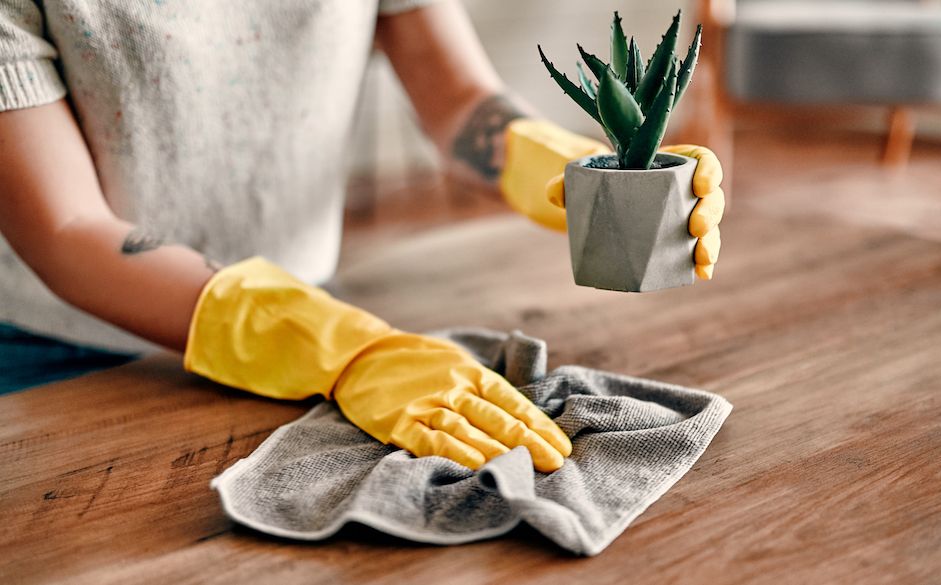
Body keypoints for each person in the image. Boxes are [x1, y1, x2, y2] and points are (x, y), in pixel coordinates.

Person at [0, 1, 724, 472]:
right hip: (65, 358)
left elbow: (457, 98)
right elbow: (67, 229)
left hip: (305, 327)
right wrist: (348, 348)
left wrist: (576, 173)